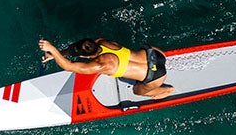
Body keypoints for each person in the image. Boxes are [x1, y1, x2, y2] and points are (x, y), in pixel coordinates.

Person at [37, 37, 174, 98]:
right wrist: (56, 55)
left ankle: (166, 90)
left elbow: (68, 66)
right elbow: (78, 49)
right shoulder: (101, 41)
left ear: (85, 57)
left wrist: (53, 49)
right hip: (156, 54)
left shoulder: (101, 65)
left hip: (156, 76)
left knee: (137, 90)